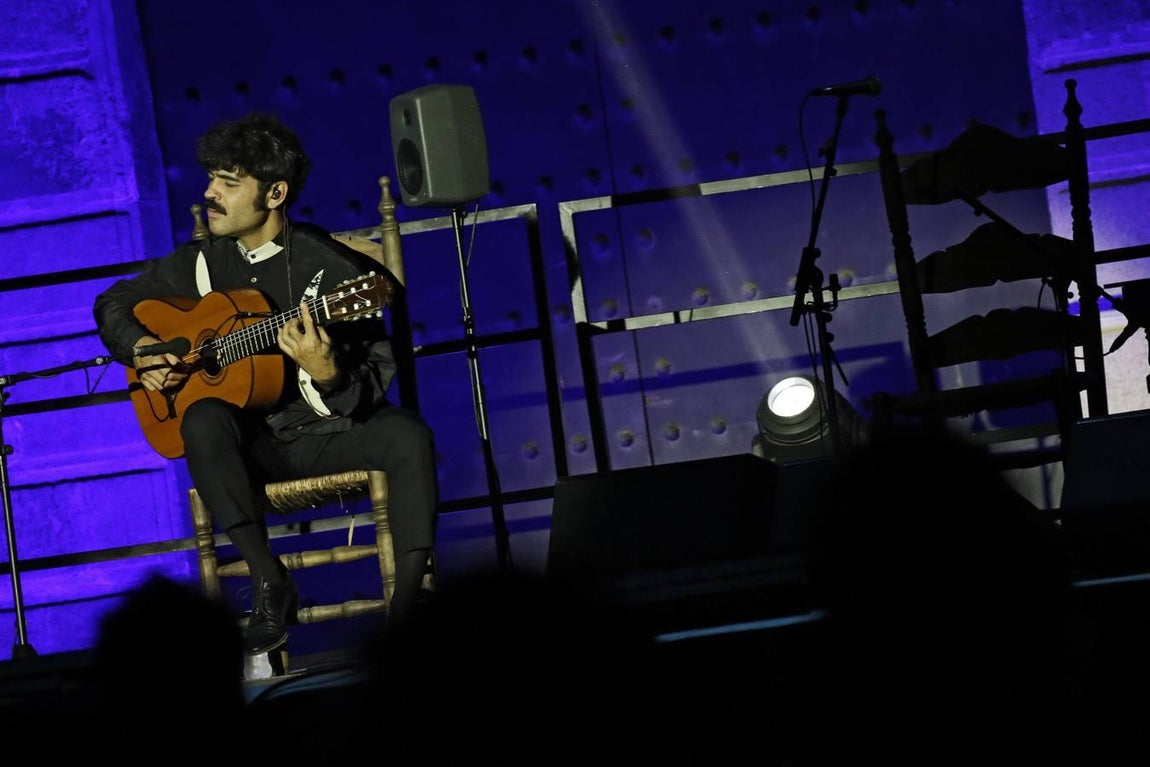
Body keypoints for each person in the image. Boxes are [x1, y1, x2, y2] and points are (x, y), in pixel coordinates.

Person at [93, 112, 439, 657]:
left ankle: (407, 616)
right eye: (211, 179)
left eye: (228, 184)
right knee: (202, 417)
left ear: (274, 193)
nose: (210, 193)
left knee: (409, 436)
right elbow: (113, 302)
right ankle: (267, 580)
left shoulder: (332, 270)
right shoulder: (202, 263)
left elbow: (372, 380)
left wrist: (328, 373)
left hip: (323, 431)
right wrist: (144, 349)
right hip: (249, 450)